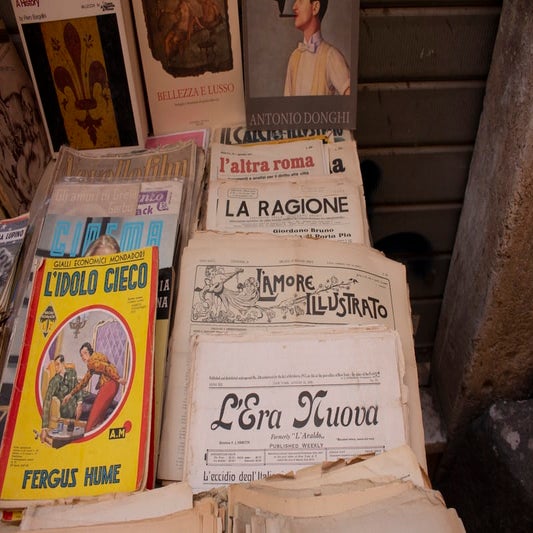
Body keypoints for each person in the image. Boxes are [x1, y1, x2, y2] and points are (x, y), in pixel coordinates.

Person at [284, 0, 351, 96]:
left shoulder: (330, 56)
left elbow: (351, 99)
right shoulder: (294, 58)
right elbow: (286, 106)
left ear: (315, 7)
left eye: (301, 0)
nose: (294, 7)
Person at [62, 342, 126, 432]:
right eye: (81, 355)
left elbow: (106, 367)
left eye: (85, 353)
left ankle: (88, 433)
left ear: (90, 352)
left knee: (93, 417)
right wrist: (70, 394)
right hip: (113, 384)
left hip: (109, 385)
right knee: (100, 416)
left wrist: (118, 378)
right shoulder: (95, 359)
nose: (83, 357)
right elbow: (84, 382)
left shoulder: (92, 362)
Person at [40, 354, 83, 443]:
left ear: (63, 364)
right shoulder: (54, 381)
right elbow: (47, 401)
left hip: (80, 398)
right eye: (55, 365)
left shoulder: (72, 372)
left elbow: (77, 387)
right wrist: (44, 428)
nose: (56, 367)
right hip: (68, 407)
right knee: (102, 408)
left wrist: (80, 403)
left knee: (103, 400)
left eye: (58, 364)